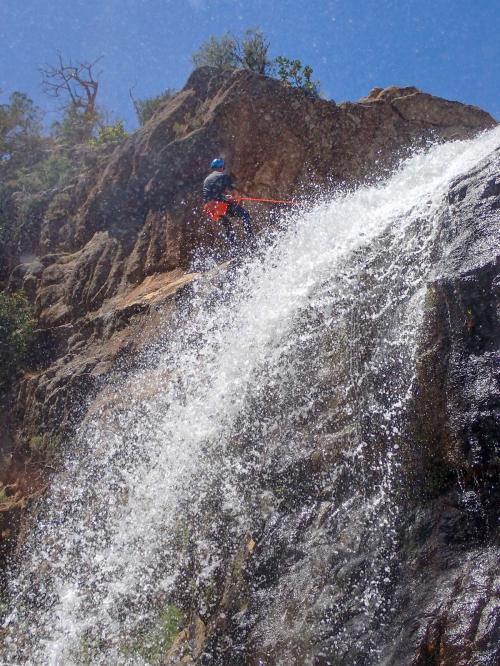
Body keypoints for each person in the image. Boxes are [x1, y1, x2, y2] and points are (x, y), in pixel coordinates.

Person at [203, 158, 255, 246]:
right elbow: (235, 194)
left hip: (210, 209)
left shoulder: (207, 180)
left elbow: (211, 195)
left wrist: (225, 197)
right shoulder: (223, 176)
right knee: (244, 215)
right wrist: (235, 198)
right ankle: (251, 240)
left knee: (227, 224)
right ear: (222, 167)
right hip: (220, 205)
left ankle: (234, 247)